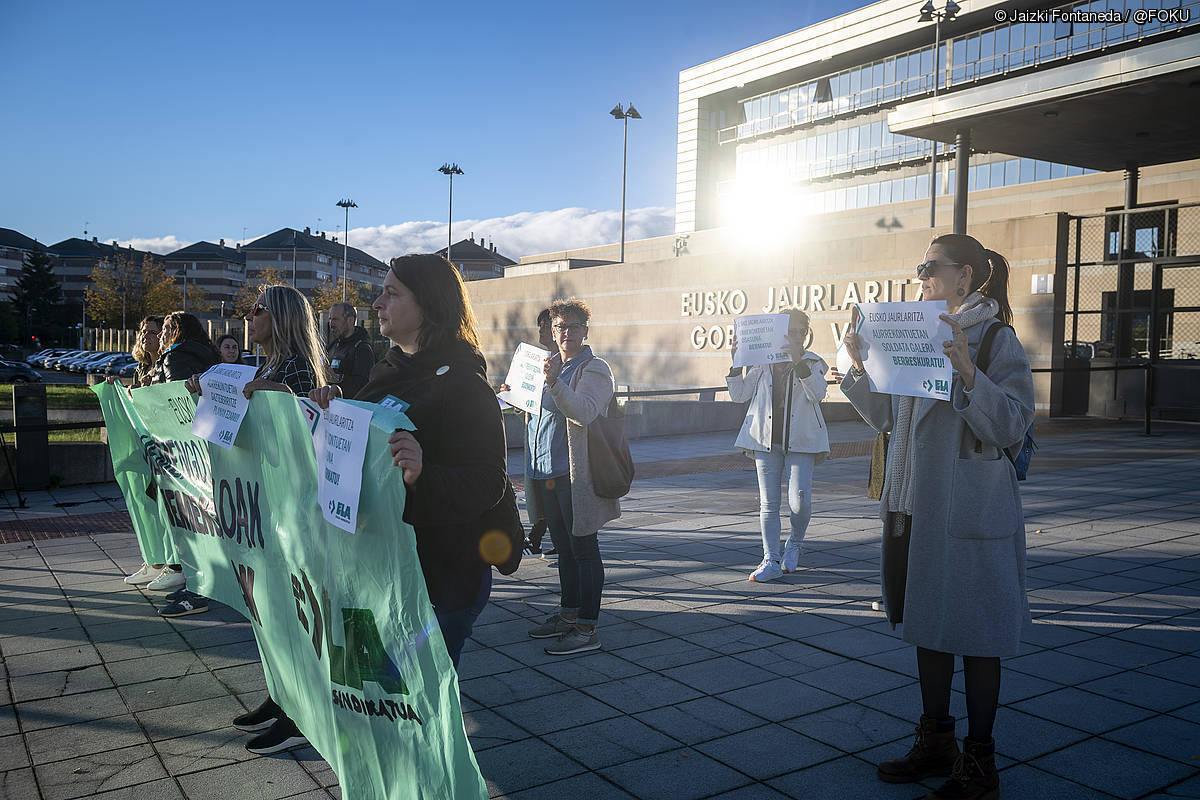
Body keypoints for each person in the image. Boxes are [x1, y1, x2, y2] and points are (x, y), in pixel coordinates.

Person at [841, 233, 1034, 800]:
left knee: (977, 633)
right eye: (919, 267)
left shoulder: (996, 337)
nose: (920, 275)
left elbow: (1012, 425)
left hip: (970, 504)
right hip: (914, 501)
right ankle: (936, 739)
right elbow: (889, 417)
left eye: (930, 267)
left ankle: (980, 761)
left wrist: (970, 372)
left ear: (965, 277)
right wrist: (857, 366)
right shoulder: (914, 332)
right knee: (927, 625)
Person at [310, 253, 507, 669]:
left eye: (391, 293)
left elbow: (490, 481)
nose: (377, 303)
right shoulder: (389, 371)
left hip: (440, 580)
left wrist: (424, 474)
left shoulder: (464, 385)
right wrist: (336, 412)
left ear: (428, 304)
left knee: (418, 710)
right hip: (383, 569)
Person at [198, 284, 329, 754]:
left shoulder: (295, 367)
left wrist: (270, 394)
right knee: (270, 612)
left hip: (290, 506)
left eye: (258, 310)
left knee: (291, 617)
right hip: (267, 505)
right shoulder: (270, 364)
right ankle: (281, 696)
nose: (249, 318)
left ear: (282, 317)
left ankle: (299, 715)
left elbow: (302, 422)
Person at [524, 299, 621, 656]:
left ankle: (587, 626)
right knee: (563, 549)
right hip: (545, 472)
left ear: (585, 331)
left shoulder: (594, 369)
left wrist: (552, 384)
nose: (565, 333)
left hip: (573, 475)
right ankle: (568, 613)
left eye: (572, 327)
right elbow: (543, 414)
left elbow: (584, 411)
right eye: (559, 327)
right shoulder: (550, 367)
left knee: (584, 549)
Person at [726, 309, 829, 582]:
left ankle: (794, 543)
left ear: (806, 335)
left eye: (800, 332)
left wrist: (798, 361)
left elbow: (818, 393)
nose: (795, 337)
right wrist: (737, 362)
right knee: (769, 503)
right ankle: (770, 559)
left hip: (802, 440)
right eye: (790, 331)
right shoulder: (762, 362)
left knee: (800, 499)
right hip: (765, 439)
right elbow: (739, 395)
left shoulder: (813, 361)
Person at [143, 313, 221, 605]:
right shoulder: (207, 354)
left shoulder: (175, 358)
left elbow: (173, 403)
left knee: (190, 515)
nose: (162, 334)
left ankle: (195, 578)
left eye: (165, 329)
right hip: (208, 444)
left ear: (176, 331)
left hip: (185, 451)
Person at [501, 308, 557, 556]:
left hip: (555, 446)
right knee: (542, 497)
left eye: (546, 325)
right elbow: (529, 407)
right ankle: (538, 537)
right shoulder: (535, 361)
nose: (542, 331)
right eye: (540, 326)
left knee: (554, 497)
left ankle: (544, 539)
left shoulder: (563, 362)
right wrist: (513, 396)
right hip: (535, 440)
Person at [121, 315, 167, 588]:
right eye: (143, 331)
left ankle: (168, 562)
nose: (146, 336)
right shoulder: (141, 367)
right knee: (144, 500)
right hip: (144, 442)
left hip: (162, 443)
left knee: (160, 501)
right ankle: (154, 559)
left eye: (153, 331)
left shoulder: (166, 365)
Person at [325, 301, 375, 399]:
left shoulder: (362, 348)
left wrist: (338, 378)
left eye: (335, 319)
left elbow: (363, 385)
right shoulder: (334, 345)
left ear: (350, 320)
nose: (331, 324)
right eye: (330, 319)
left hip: (348, 409)